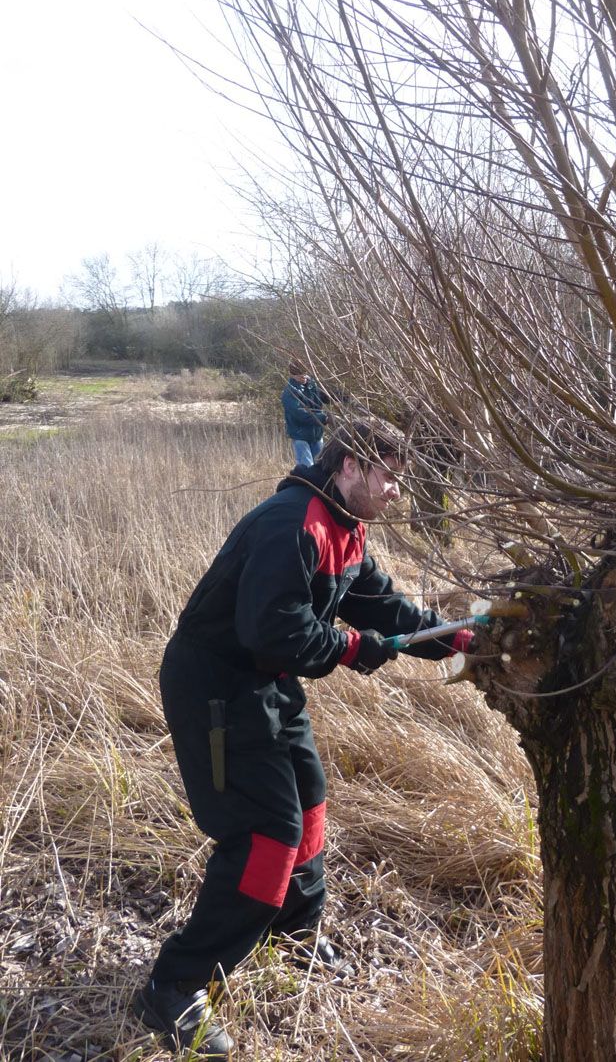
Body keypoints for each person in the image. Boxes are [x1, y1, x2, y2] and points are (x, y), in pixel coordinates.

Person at [134, 422, 473, 1058]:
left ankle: (293, 935)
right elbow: (271, 630)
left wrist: (456, 637)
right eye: (389, 476)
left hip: (268, 682)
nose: (398, 491)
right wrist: (352, 649)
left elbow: (379, 605)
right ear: (349, 467)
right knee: (267, 835)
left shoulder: (342, 523)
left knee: (309, 805)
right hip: (218, 688)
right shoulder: (292, 525)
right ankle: (175, 983)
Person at [281, 359, 331, 466]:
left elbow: (328, 395)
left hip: (316, 435)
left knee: (321, 467)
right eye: (299, 376)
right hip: (301, 437)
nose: (303, 378)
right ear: (292, 375)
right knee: (307, 468)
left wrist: (345, 398)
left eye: (304, 374)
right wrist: (324, 418)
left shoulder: (312, 386)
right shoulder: (289, 393)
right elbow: (300, 414)